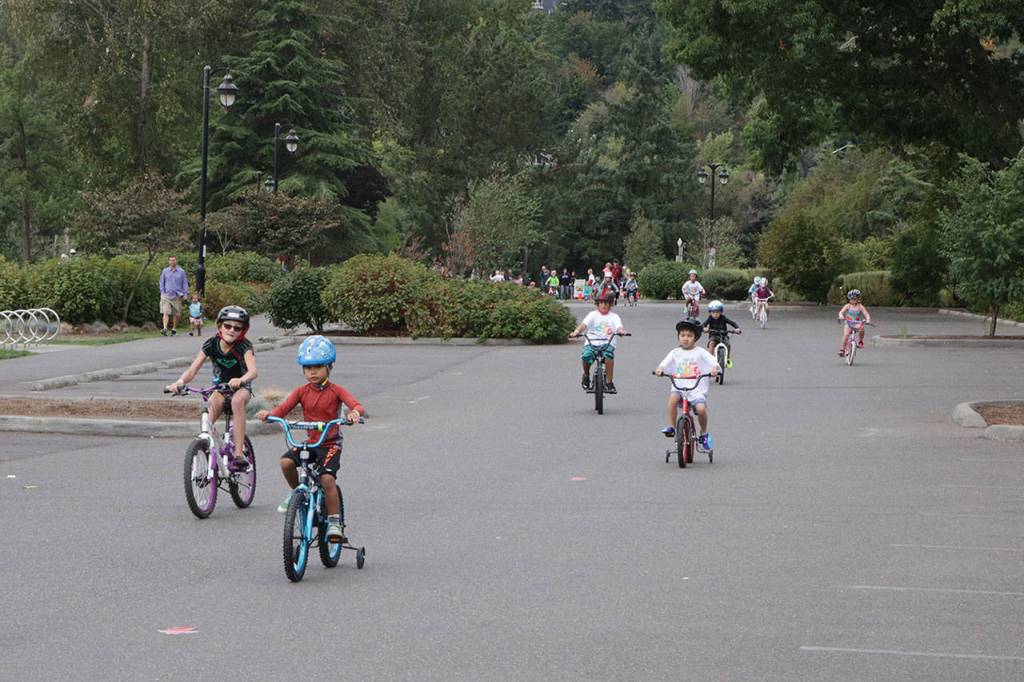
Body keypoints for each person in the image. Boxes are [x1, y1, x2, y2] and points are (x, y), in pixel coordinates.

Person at [256, 335, 365, 543]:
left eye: (317, 367)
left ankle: (334, 521)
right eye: (307, 368)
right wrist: (269, 415)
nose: (311, 372)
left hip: (330, 444)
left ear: (329, 367)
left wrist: (354, 413)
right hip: (311, 444)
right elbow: (282, 409)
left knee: (327, 479)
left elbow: (356, 405)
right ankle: (297, 492)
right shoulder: (301, 391)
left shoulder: (336, 390)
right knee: (286, 462)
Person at [166, 306, 257, 468]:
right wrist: (180, 383)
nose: (232, 330)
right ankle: (207, 447)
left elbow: (253, 372)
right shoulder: (211, 344)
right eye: (227, 326)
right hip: (220, 388)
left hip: (241, 387)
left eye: (237, 328)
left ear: (243, 330)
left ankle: (238, 454)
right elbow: (192, 370)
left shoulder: (244, 346)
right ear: (219, 326)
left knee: (237, 402)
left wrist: (241, 380)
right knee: (207, 418)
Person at [654, 318, 720, 447]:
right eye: (682, 335)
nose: (685, 338)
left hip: (696, 389)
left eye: (689, 336)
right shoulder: (675, 353)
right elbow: (664, 364)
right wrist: (660, 369)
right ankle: (672, 427)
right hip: (679, 386)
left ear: (695, 337)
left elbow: (713, 362)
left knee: (701, 409)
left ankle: (704, 432)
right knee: (672, 398)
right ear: (678, 337)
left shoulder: (700, 352)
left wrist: (714, 369)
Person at [568, 291, 627, 393]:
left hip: (607, 343)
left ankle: (609, 382)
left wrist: (621, 331)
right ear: (597, 304)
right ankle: (586, 375)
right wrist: (576, 332)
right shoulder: (592, 315)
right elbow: (584, 325)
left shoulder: (614, 316)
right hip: (592, 342)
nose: (604, 305)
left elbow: (619, 327)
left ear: (611, 304)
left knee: (609, 357)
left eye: (607, 303)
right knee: (586, 356)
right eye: (601, 303)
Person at [702, 300, 741, 367]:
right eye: (713, 312)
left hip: (723, 335)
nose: (715, 314)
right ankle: (710, 359)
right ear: (710, 313)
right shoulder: (710, 318)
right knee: (712, 343)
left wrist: (737, 328)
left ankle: (728, 358)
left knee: (728, 344)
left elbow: (732, 323)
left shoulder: (723, 318)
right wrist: (704, 328)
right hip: (713, 335)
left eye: (717, 312)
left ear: (721, 312)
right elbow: (704, 324)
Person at [159, 256, 189, 336]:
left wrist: (185, 294)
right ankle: (165, 328)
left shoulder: (181, 271)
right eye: (171, 260)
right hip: (166, 295)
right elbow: (161, 282)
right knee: (165, 312)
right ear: (169, 262)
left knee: (176, 314)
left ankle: (174, 328)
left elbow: (185, 283)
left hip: (177, 295)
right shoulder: (165, 271)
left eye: (174, 260)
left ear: (176, 261)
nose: (172, 262)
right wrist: (162, 292)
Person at [837, 289, 872, 356]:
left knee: (861, 328)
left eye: (854, 299)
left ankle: (860, 341)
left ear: (858, 299)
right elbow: (841, 312)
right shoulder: (848, 306)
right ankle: (842, 349)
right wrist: (841, 316)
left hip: (856, 323)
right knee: (846, 335)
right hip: (848, 322)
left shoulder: (860, 307)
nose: (852, 300)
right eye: (851, 299)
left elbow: (866, 314)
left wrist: (868, 320)